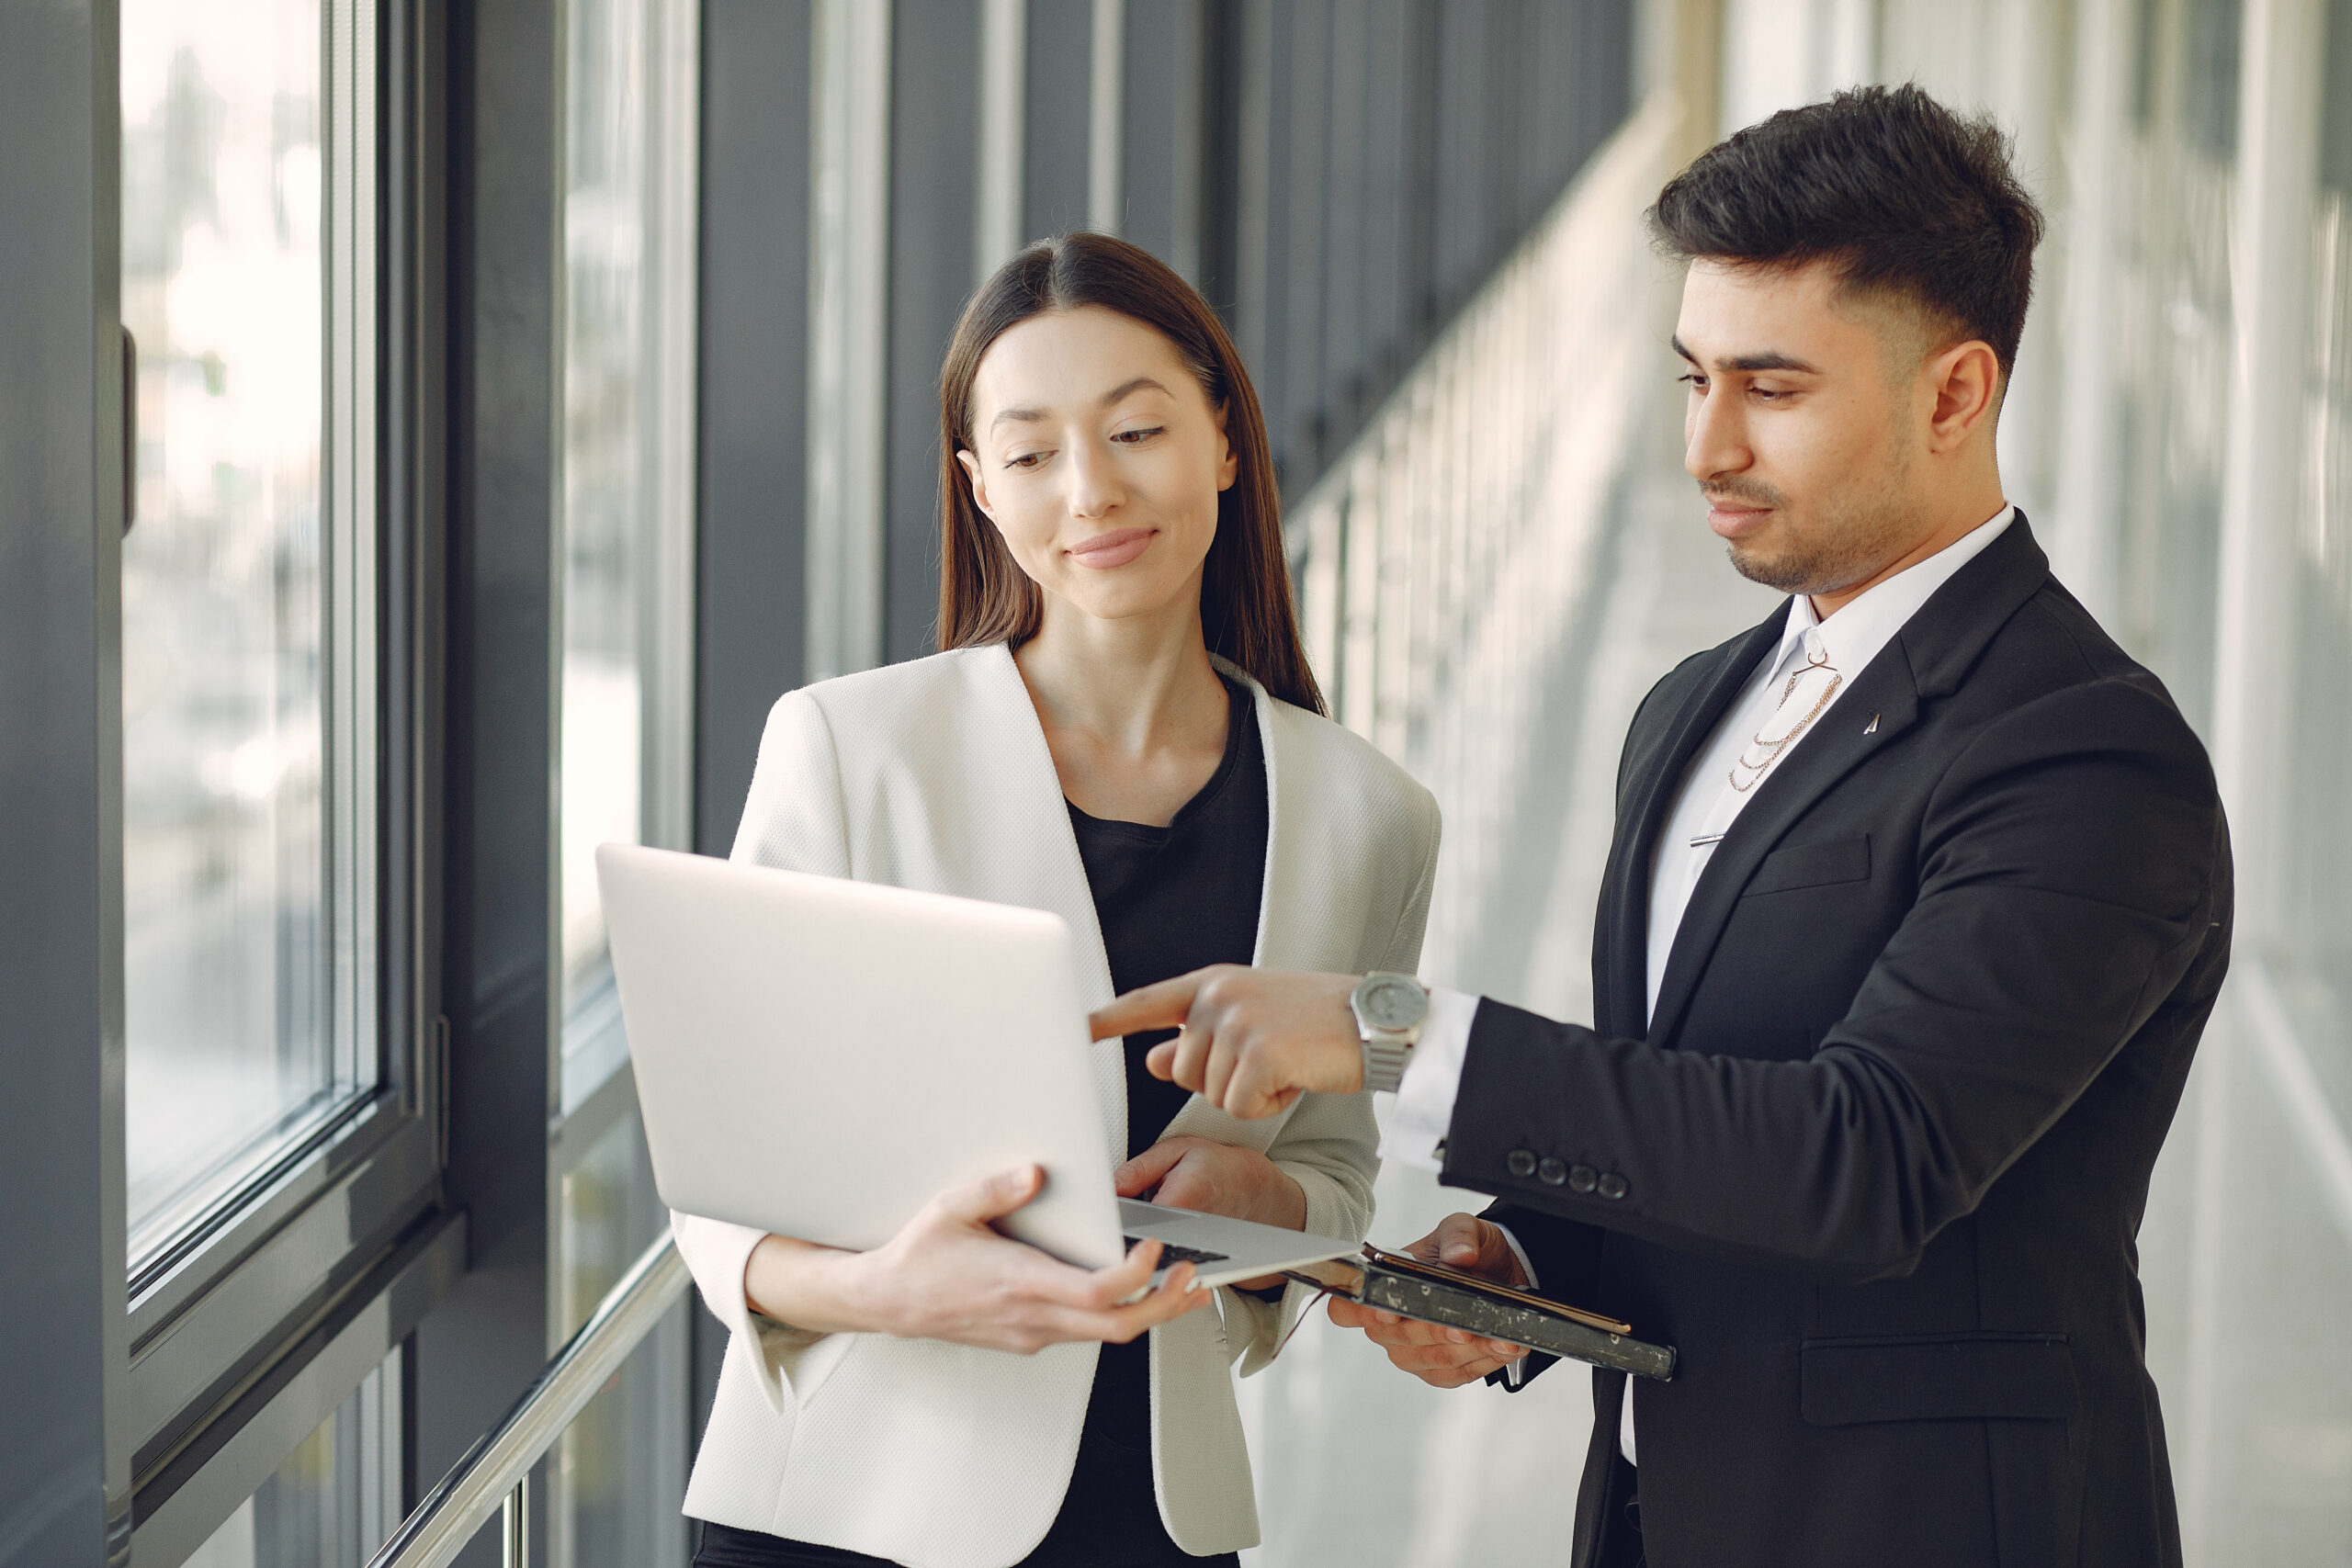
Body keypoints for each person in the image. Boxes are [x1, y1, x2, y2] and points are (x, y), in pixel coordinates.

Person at [1090, 86, 2231, 1568]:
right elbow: (1697, 1109)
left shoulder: (2085, 750)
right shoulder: (1692, 706)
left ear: (1956, 394)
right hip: (1657, 1516)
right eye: (1691, 376)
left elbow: (1862, 1162)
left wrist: (1391, 1035)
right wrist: (1519, 1264)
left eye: (1773, 387)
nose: (1705, 447)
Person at [673, 232, 1440, 1568]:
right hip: (846, 1507)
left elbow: (1336, 1177)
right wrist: (882, 1290)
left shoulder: (1368, 815)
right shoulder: (850, 751)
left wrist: (1251, 1206)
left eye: (1136, 429)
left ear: (1222, 439)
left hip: (1153, 1513)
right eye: (1030, 454)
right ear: (980, 489)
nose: (1090, 489)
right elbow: (725, 1186)